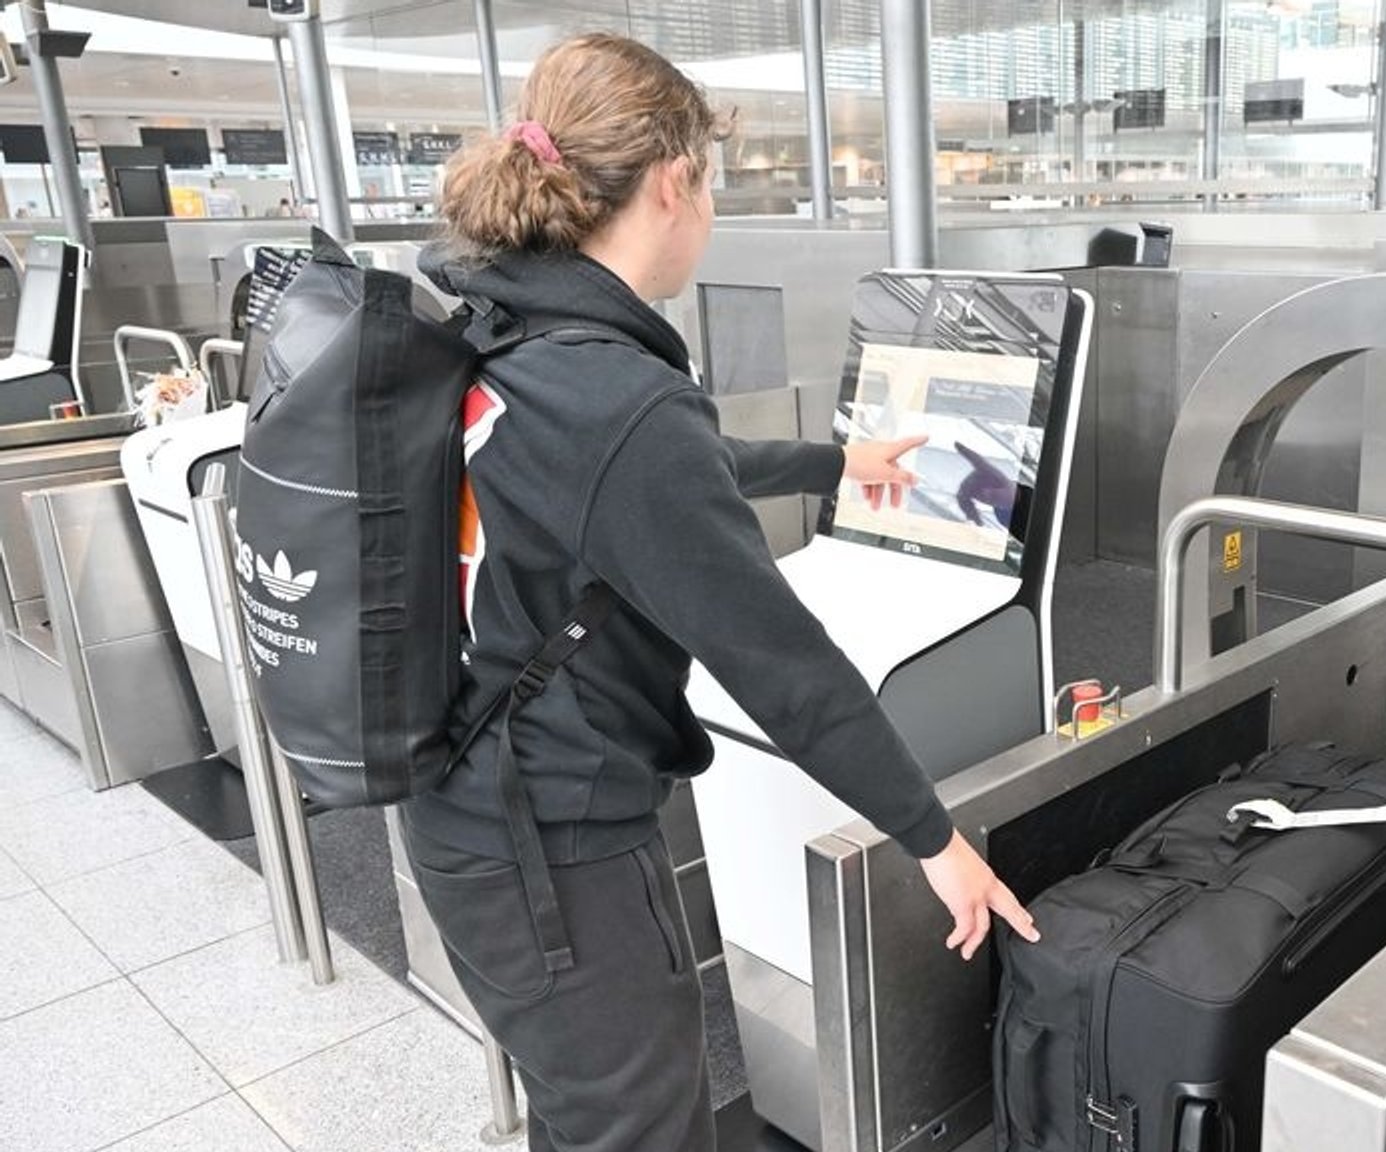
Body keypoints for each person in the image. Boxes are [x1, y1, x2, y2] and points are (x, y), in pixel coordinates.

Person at [410, 33, 1039, 1152]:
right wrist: (937, 843)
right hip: (553, 845)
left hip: (472, 798)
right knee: (640, 1129)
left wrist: (833, 463)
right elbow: (782, 666)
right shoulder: (615, 396)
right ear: (672, 182)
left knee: (590, 1116)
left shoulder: (509, 330)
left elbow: (637, 490)